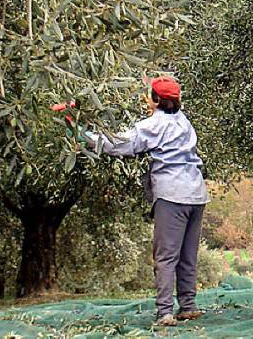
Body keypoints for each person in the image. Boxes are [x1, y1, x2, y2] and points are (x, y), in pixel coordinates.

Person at [85, 76, 209, 326]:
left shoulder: (154, 125)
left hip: (172, 195)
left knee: (165, 256)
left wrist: (83, 134)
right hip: (196, 193)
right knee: (187, 255)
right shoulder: (185, 123)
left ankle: (165, 311)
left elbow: (119, 144)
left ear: (154, 100)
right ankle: (188, 305)